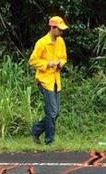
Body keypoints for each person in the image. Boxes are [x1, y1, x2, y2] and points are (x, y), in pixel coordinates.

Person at [29, 16, 68, 145]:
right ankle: (49, 141)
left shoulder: (60, 41)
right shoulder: (42, 43)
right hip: (45, 81)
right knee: (52, 112)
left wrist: (60, 64)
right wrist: (47, 64)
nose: (62, 32)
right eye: (60, 29)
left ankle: (36, 130)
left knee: (56, 113)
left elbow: (63, 58)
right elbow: (33, 61)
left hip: (56, 80)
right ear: (52, 28)